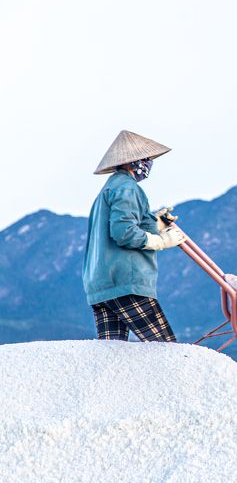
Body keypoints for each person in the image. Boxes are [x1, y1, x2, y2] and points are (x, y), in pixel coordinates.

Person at [82, 130, 186, 342]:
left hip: (101, 286)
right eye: (145, 159)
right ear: (133, 162)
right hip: (126, 282)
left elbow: (122, 225)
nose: (148, 164)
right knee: (166, 350)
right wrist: (162, 241)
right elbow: (124, 232)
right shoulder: (127, 188)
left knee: (112, 353)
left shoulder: (108, 190)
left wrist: (156, 222)